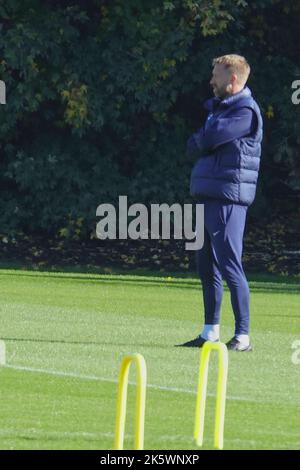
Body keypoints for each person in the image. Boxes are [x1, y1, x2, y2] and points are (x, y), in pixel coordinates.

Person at [180, 54, 263, 351]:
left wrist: (204, 139)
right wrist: (204, 139)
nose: (210, 81)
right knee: (207, 266)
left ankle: (242, 336)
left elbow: (209, 138)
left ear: (232, 79)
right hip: (209, 194)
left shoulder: (245, 111)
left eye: (215, 75)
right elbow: (197, 143)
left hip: (229, 197)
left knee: (230, 264)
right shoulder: (218, 108)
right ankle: (209, 332)